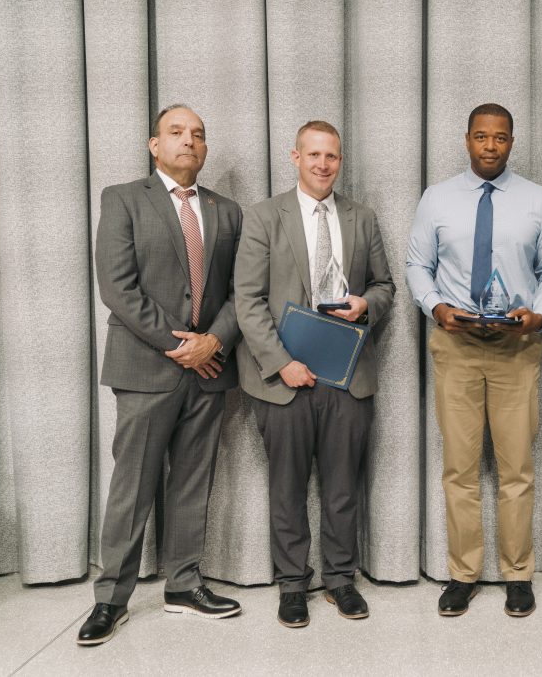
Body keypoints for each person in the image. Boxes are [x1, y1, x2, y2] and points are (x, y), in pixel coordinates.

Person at [79, 105, 243, 646]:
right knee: (133, 485)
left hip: (210, 368)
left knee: (194, 482)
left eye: (198, 134)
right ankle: (111, 599)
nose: (188, 141)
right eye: (176, 132)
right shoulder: (123, 199)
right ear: (155, 145)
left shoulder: (227, 211)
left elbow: (243, 289)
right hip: (147, 368)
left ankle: (184, 586)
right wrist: (182, 346)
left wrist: (214, 341)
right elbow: (118, 288)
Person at [234, 120, 395, 628]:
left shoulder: (362, 217)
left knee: (342, 487)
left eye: (332, 156)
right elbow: (247, 300)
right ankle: (292, 584)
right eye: (314, 155)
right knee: (287, 487)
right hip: (283, 377)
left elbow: (385, 286)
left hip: (346, 375)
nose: (323, 164)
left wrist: (366, 304)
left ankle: (341, 579)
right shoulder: (263, 216)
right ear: (295, 157)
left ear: (340, 161)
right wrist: (283, 363)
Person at [406, 103, 542, 618]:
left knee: (517, 468)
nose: (490, 146)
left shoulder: (537, 200)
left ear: (511, 142)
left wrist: (539, 316)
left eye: (499, 138)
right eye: (481, 136)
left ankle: (518, 574)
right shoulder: (437, 198)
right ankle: (463, 574)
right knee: (460, 468)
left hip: (517, 348)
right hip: (456, 346)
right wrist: (436, 307)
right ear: (467, 139)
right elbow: (417, 264)